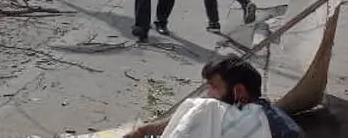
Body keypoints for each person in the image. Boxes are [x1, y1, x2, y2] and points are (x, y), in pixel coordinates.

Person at [124, 56, 304, 138]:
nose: (209, 94)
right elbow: (184, 120)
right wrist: (144, 130)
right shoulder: (226, 109)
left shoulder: (280, 130)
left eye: (215, 87)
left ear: (239, 91)